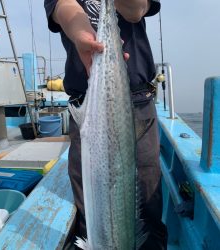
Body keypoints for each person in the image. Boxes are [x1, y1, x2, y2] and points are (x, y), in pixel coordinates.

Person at [44, 0, 168, 249]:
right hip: (90, 105)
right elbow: (65, 9)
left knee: (147, 204)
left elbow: (136, 10)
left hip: (137, 103)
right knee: (88, 207)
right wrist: (83, 36)